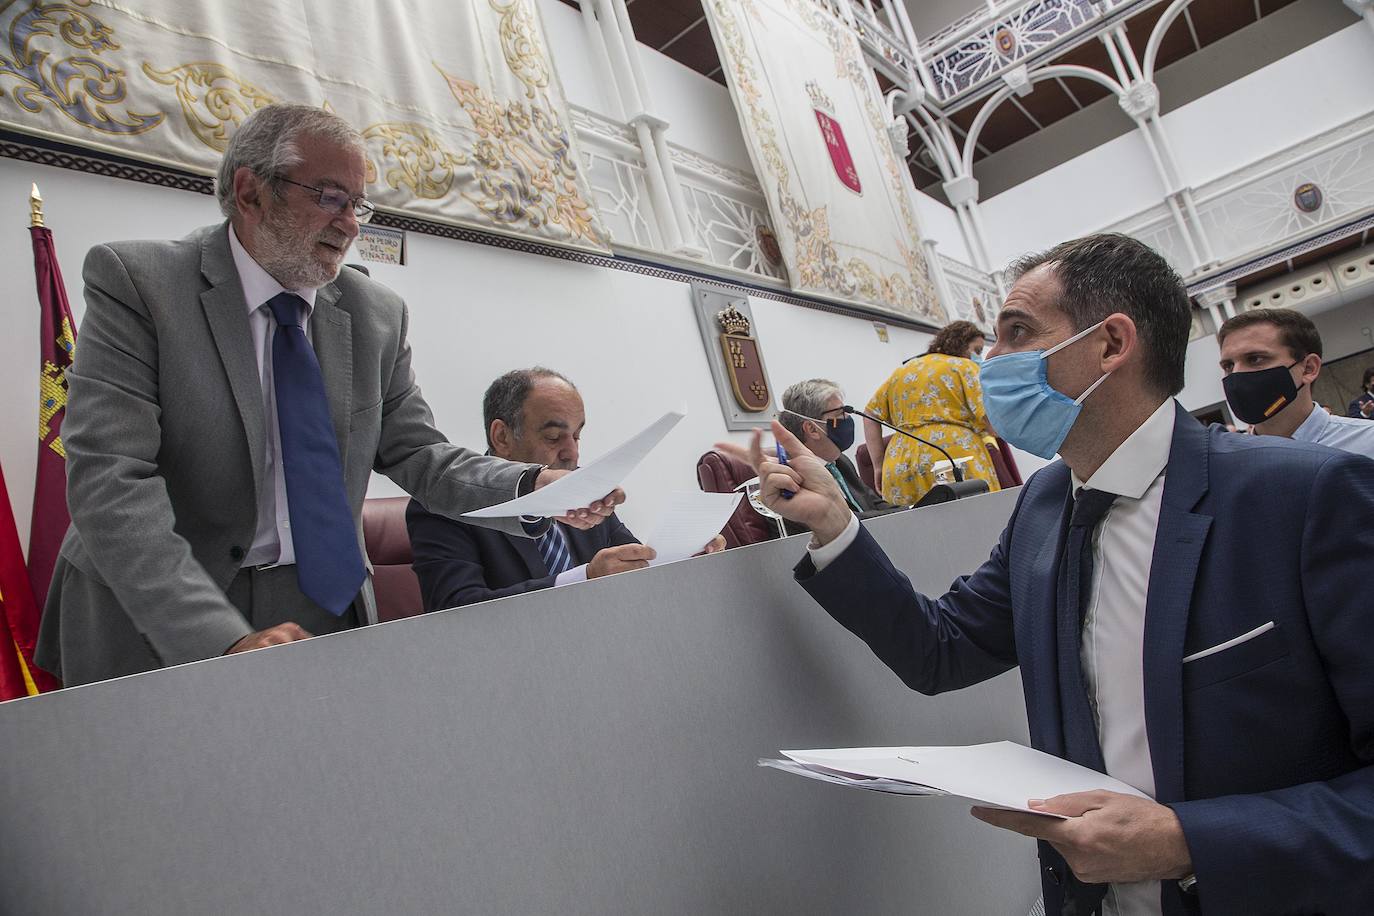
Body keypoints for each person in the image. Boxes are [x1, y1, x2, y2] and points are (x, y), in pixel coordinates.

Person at [720, 234, 1374, 915]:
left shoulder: (1306, 498)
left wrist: (1190, 841)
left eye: (1017, 332)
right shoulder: (1046, 503)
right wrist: (834, 528)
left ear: (1111, 344)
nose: (989, 363)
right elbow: (942, 649)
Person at [36, 104, 622, 687]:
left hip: (322, 604)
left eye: (358, 204)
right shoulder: (140, 282)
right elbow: (110, 478)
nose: (351, 225)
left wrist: (533, 486)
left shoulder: (376, 314)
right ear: (250, 193)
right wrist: (222, 637)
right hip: (163, 612)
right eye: (330, 197)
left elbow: (419, 453)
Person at [408, 369, 721, 609]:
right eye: (554, 437)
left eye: (577, 435)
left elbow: (631, 562)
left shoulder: (587, 489)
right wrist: (582, 580)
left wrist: (683, 555)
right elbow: (455, 611)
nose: (572, 453)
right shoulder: (442, 504)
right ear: (502, 437)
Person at [863, 319, 1000, 506]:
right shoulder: (964, 367)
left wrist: (878, 465)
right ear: (960, 343)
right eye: (976, 350)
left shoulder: (904, 370)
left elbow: (870, 414)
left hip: (901, 461)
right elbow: (990, 417)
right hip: (952, 454)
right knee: (977, 516)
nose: (978, 356)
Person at [1217, 308, 1374, 459]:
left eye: (1255, 359)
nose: (1236, 374)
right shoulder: (1228, 467)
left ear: (1308, 368)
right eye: (1228, 366)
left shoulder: (1367, 443)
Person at [778, 379, 892, 516]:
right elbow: (843, 520)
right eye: (840, 414)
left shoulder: (840, 461)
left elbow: (874, 503)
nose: (848, 417)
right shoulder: (793, 477)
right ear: (812, 429)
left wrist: (914, 510)